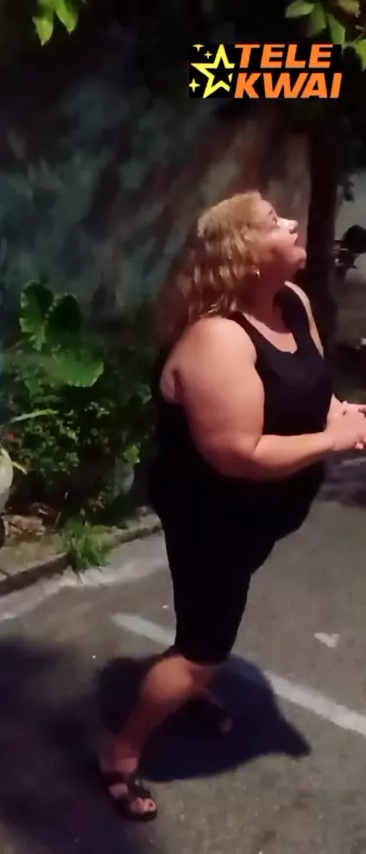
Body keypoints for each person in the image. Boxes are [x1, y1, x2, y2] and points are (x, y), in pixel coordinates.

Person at [99, 191, 366, 821]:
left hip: (261, 514)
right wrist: (337, 440)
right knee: (205, 649)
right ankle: (121, 755)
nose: (294, 223)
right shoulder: (218, 340)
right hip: (212, 519)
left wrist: (343, 413)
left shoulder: (292, 302)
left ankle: (188, 680)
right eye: (274, 222)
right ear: (244, 255)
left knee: (207, 613)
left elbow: (311, 390)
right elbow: (239, 455)